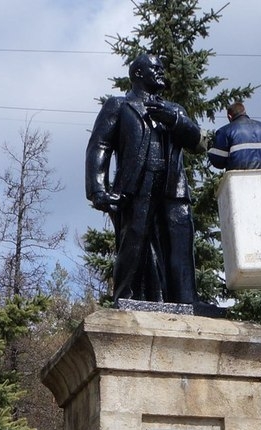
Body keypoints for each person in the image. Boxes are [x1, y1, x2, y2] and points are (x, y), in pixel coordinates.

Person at [85, 53, 203, 305]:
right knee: (134, 239)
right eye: (155, 68)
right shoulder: (119, 105)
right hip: (136, 185)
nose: (162, 72)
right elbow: (100, 146)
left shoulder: (174, 110)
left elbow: (195, 140)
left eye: (162, 68)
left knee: (181, 240)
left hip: (173, 186)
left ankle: (187, 299)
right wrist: (97, 189)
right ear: (138, 74)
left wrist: (172, 118)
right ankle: (125, 296)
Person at [208, 101, 261, 170]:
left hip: (240, 180)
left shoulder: (225, 131)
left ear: (229, 116)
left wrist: (209, 147)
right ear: (244, 112)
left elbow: (217, 160)